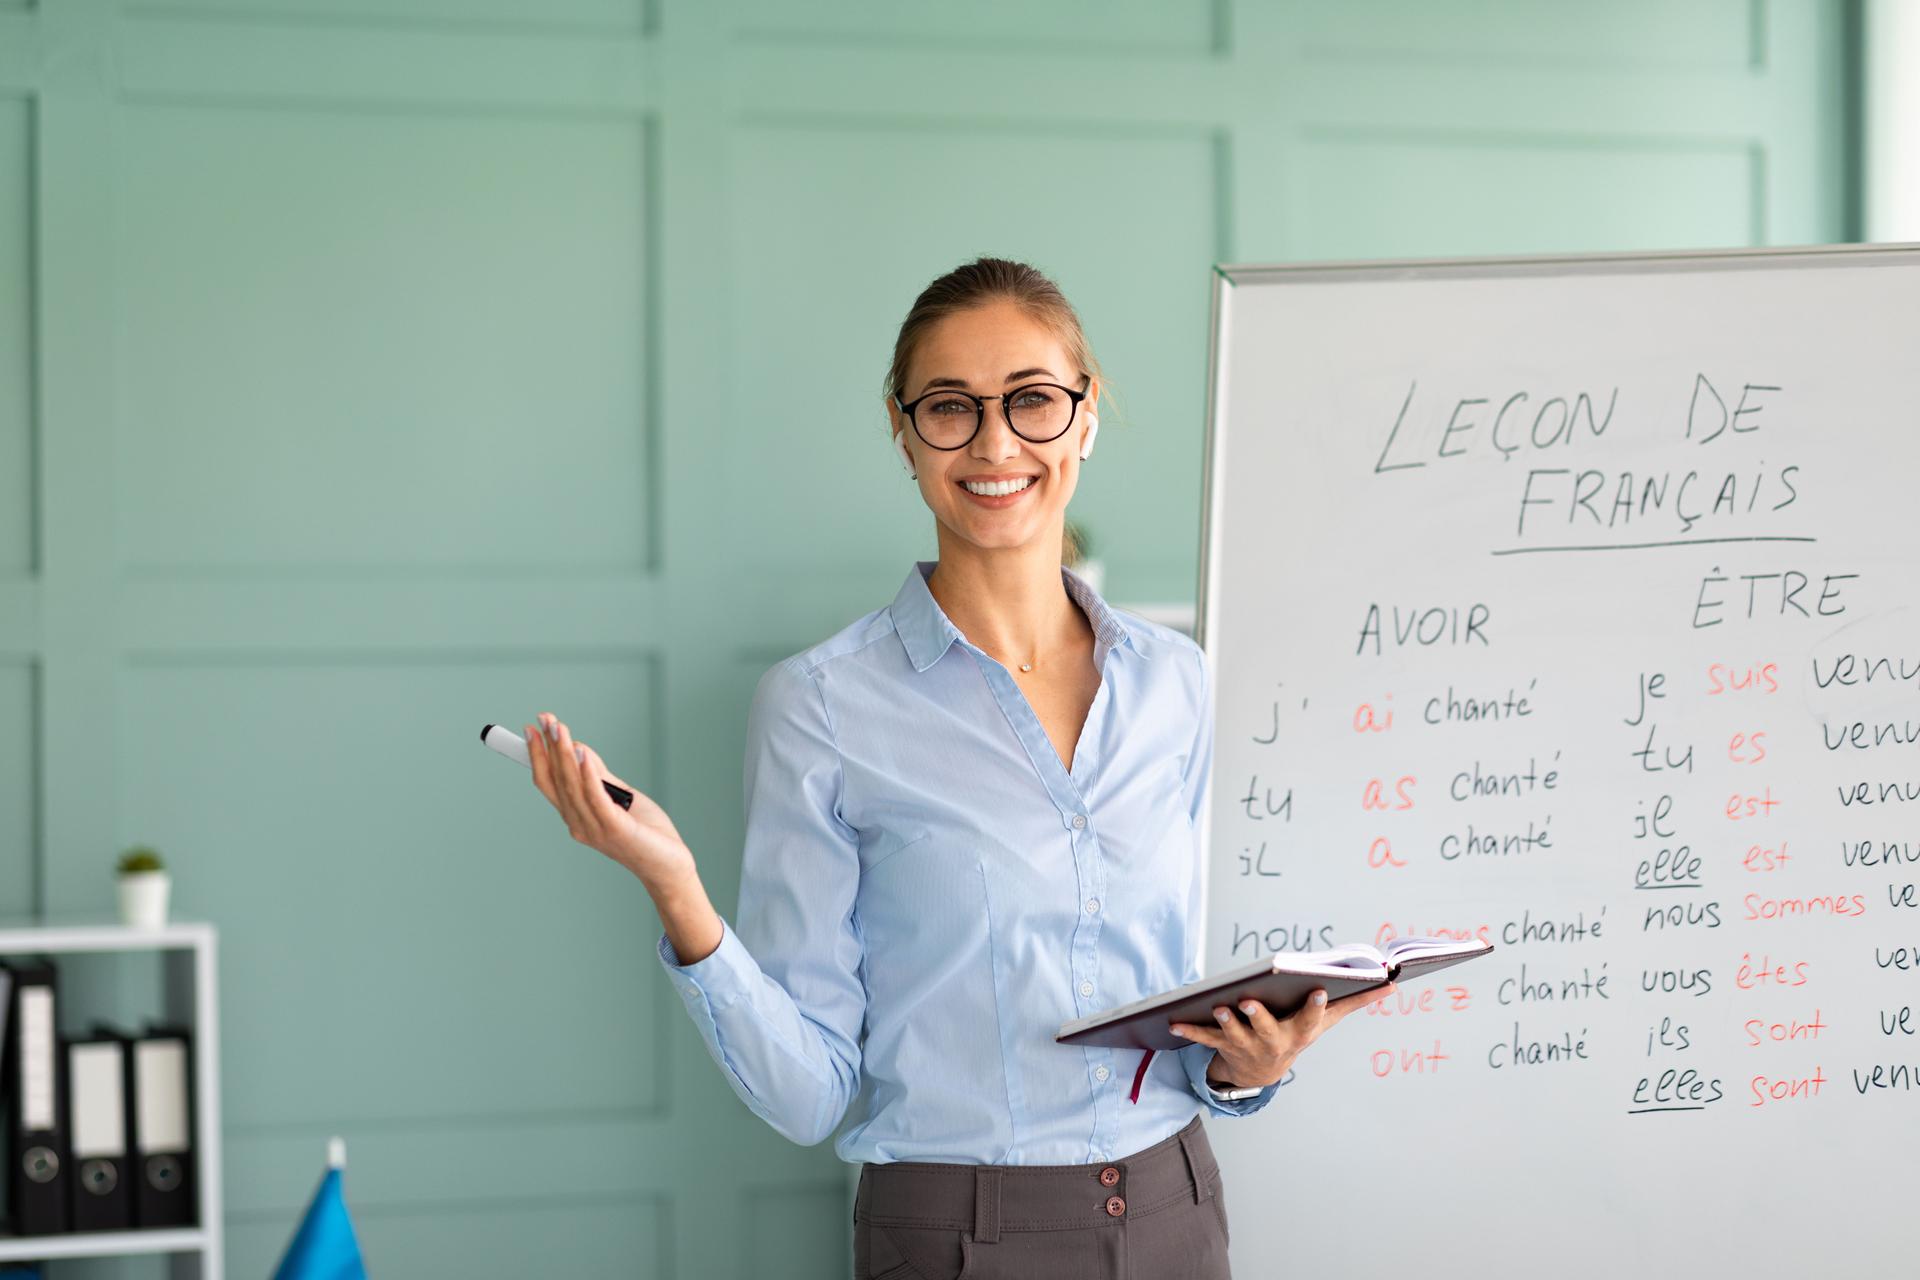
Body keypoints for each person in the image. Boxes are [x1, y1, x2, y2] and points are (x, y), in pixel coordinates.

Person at [522, 257, 1390, 1278]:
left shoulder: (1177, 682)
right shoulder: (822, 705)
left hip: (1176, 1208)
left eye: (1032, 400)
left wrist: (1248, 1069)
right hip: (953, 1237)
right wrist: (677, 888)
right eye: (950, 407)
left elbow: (1190, 1003)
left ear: (1085, 414)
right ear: (903, 429)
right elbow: (808, 1093)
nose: (994, 443)